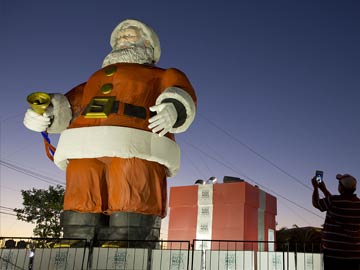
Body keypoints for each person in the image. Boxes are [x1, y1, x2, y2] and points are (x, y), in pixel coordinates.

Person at [23, 19, 197, 247]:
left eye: (130, 35)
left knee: (132, 176)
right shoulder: (94, 79)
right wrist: (45, 115)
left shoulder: (162, 75)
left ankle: (128, 238)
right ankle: (75, 237)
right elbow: (69, 104)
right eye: (120, 36)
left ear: (149, 45)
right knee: (82, 179)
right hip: (84, 141)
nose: (123, 38)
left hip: (137, 137)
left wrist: (173, 109)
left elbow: (181, 92)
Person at [312, 173, 360, 269]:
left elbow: (316, 203)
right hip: (354, 255)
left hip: (333, 255)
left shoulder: (334, 201)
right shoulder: (358, 204)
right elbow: (336, 203)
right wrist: (324, 190)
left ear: (341, 188)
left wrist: (316, 188)